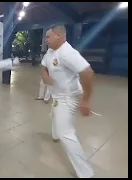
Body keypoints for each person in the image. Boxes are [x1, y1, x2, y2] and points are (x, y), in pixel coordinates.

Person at [41, 25, 95, 178]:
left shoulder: (67, 53)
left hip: (68, 98)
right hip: (57, 95)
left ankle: (86, 173)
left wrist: (86, 99)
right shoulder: (51, 51)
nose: (46, 40)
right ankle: (55, 135)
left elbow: (87, 73)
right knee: (54, 114)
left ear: (59, 35)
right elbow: (43, 66)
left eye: (48, 37)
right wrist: (45, 75)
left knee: (67, 133)